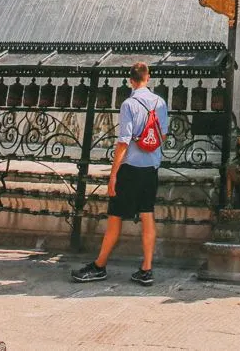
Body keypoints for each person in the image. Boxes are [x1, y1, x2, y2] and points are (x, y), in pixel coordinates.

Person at [72, 63, 170, 286]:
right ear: (148, 77)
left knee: (115, 217)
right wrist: (148, 146)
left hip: (130, 169)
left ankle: (99, 266)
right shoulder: (160, 102)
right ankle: (146, 269)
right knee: (147, 215)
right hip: (151, 168)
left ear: (130, 80)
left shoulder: (129, 104)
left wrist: (113, 174)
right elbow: (163, 135)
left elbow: (123, 141)